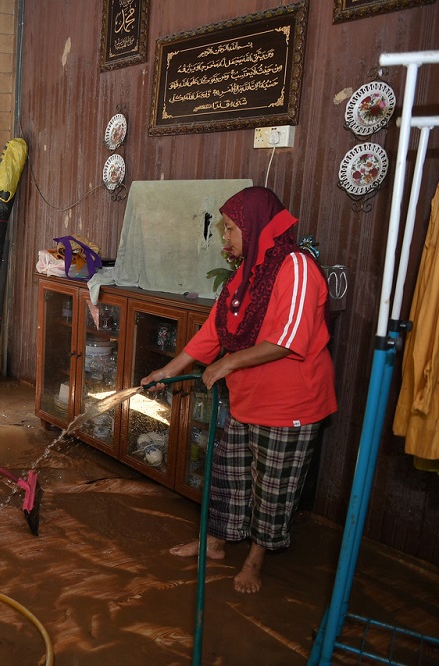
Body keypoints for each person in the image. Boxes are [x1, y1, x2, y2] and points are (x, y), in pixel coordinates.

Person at [140, 186, 336, 594]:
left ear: (256, 226)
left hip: (289, 407)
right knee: (228, 477)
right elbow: (212, 334)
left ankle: (255, 559)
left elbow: (288, 339)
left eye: (230, 228)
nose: (225, 238)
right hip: (246, 400)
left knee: (272, 489)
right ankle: (214, 542)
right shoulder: (246, 278)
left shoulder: (296, 269)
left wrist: (226, 364)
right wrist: (166, 370)